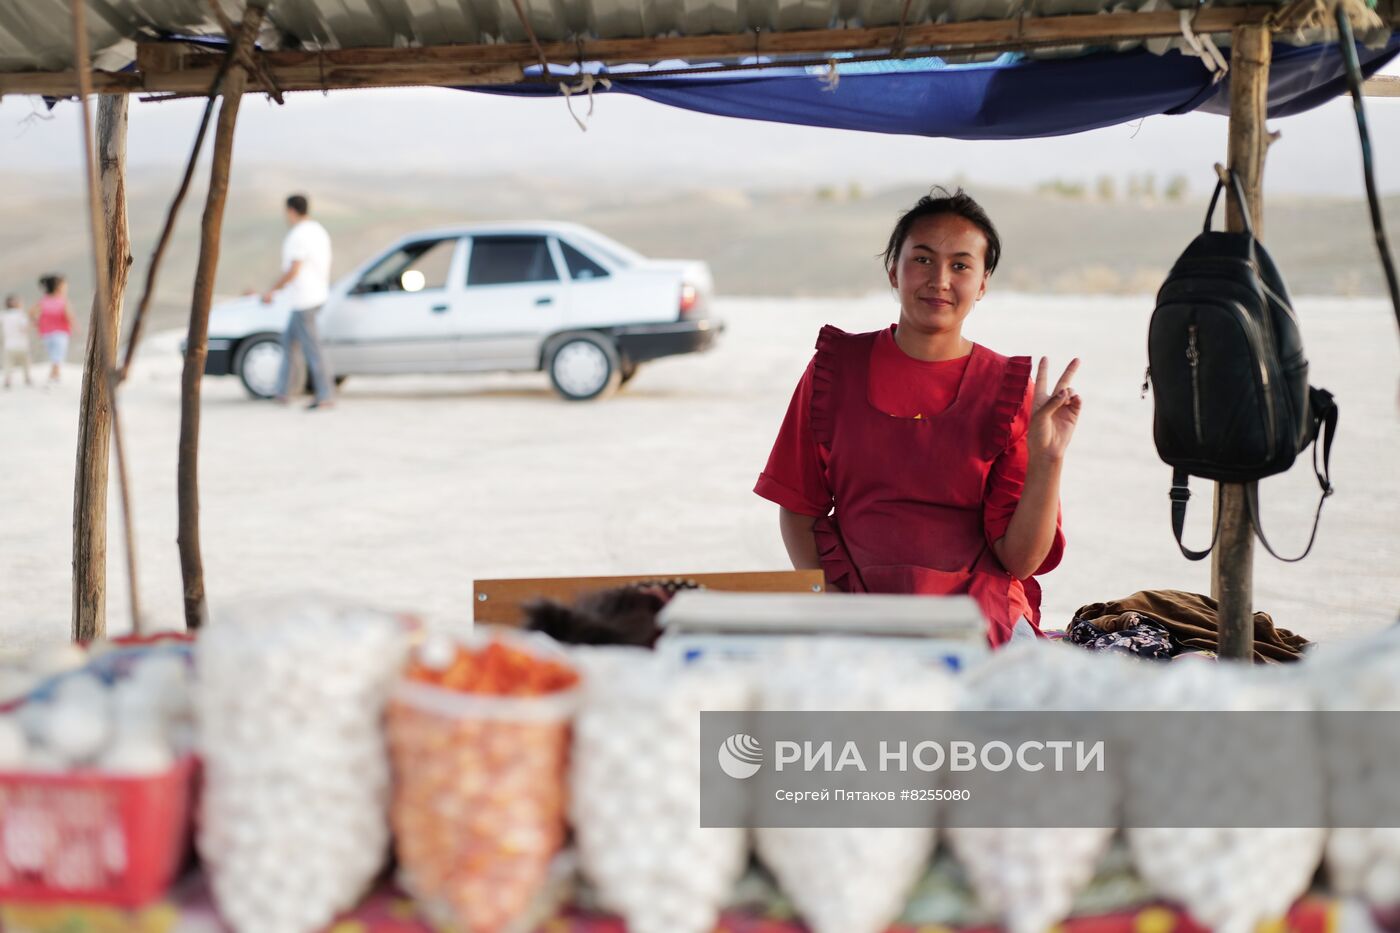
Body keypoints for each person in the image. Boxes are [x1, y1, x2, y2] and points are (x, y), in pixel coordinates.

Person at [754, 189, 1082, 646]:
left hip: (979, 614)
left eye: (961, 265)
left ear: (983, 283)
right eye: (923, 260)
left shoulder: (1010, 393)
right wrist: (831, 606)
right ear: (894, 270)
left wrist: (1049, 460)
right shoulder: (835, 369)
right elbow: (798, 511)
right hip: (855, 604)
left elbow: (1021, 560)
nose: (940, 279)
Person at [265, 193, 335, 409]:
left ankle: (324, 395)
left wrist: (272, 290)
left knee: (312, 349)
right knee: (288, 342)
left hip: (305, 299)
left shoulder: (299, 235)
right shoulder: (318, 231)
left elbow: (293, 269)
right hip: (313, 296)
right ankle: (283, 390)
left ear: (290, 211)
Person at [31, 275, 74, 385]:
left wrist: (35, 322)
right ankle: (54, 376)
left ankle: (55, 375)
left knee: (54, 355)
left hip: (46, 333)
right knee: (58, 355)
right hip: (60, 332)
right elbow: (68, 315)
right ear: (58, 288)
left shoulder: (43, 301)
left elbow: (32, 312)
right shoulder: (62, 301)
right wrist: (73, 325)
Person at [2, 294, 33, 389]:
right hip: (22, 345)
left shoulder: (3, 315)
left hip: (9, 345)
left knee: (8, 364)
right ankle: (27, 378)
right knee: (26, 363)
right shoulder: (21, 314)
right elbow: (25, 328)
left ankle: (7, 379)